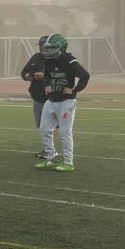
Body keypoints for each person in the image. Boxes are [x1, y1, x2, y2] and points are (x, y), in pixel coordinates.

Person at [35, 33, 90, 172]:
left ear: (60, 47)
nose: (47, 50)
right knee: (44, 129)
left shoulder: (70, 61)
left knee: (65, 132)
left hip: (66, 102)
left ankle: (68, 162)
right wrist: (46, 84)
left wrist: (75, 90)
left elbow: (85, 75)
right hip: (52, 100)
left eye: (51, 47)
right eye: (46, 48)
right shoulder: (49, 60)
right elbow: (46, 75)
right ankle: (50, 157)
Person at [21, 36, 51, 154]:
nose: (41, 48)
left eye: (43, 45)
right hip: (37, 98)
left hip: (51, 99)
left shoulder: (56, 59)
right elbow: (24, 71)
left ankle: (52, 150)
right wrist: (26, 76)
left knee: (52, 126)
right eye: (40, 45)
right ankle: (46, 149)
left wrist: (44, 75)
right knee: (40, 126)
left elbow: (62, 76)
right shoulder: (36, 57)